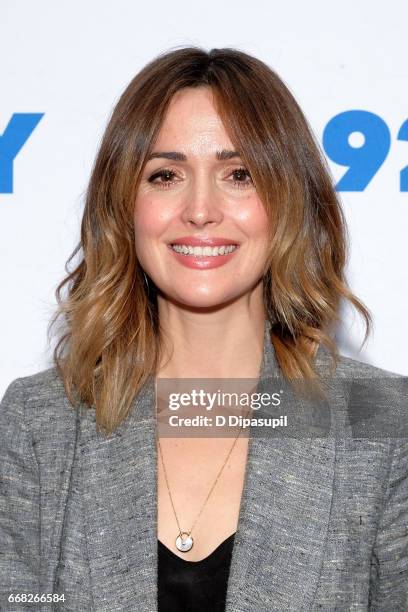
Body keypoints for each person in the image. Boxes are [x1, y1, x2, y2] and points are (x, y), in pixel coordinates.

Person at [0, 46, 407, 612]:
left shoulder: (386, 426)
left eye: (239, 175)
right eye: (165, 175)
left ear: (289, 200)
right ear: (124, 205)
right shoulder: (38, 424)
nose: (199, 209)